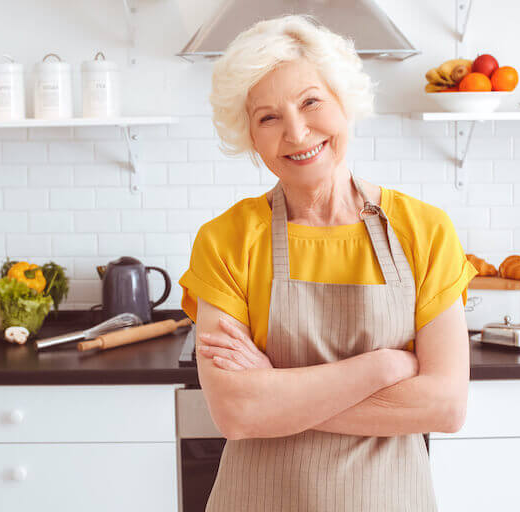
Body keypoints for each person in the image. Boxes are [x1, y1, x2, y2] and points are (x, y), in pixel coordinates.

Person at [178, 14, 477, 512]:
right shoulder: (227, 240)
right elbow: (237, 412)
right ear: (250, 135)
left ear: (345, 102)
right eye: (268, 117)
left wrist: (275, 394)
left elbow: (444, 406)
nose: (296, 132)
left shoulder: (424, 231)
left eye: (311, 101)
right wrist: (384, 367)